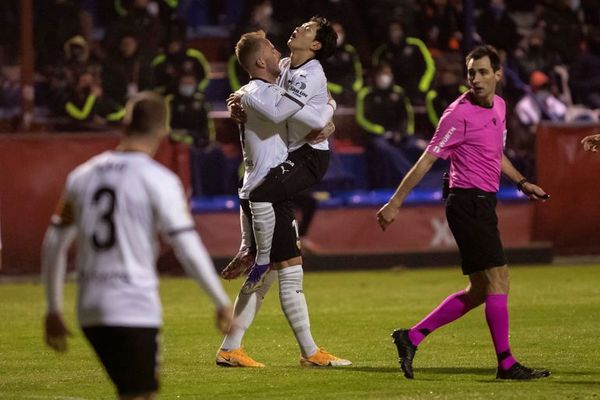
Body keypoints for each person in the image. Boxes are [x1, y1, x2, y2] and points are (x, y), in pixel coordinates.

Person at [376, 45, 551, 380]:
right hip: (466, 203)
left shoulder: (499, 105)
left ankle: (411, 337)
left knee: (480, 290)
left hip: (483, 202)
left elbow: (495, 155)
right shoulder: (457, 114)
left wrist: (523, 182)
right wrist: (396, 201)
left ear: (499, 74)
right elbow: (426, 159)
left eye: (483, 71)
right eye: (471, 72)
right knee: (499, 279)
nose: (476, 79)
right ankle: (507, 364)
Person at [42, 92, 233, 399]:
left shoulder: (81, 176)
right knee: (140, 394)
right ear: (164, 130)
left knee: (139, 390)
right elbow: (186, 245)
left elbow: (54, 242)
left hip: (89, 308)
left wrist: (53, 308)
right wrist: (221, 300)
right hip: (133, 304)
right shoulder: (159, 180)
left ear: (125, 124)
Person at [215, 30, 350, 368]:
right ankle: (308, 353)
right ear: (261, 61)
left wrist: (327, 110)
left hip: (269, 189)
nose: (279, 52)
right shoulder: (256, 95)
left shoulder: (268, 88)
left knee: (279, 273)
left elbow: (309, 94)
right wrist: (325, 118)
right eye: (272, 49)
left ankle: (235, 348)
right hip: (265, 191)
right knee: (279, 272)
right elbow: (285, 113)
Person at [223, 17, 338, 293]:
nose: (298, 27)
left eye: (307, 30)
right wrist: (234, 100)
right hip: (290, 153)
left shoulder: (311, 72)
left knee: (257, 192)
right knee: (250, 187)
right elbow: (325, 98)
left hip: (309, 155)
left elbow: (281, 109)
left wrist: (327, 117)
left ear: (316, 45)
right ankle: (256, 255)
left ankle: (256, 255)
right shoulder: (286, 66)